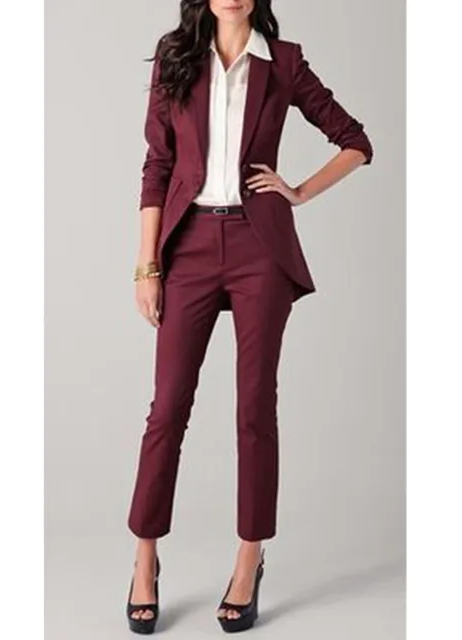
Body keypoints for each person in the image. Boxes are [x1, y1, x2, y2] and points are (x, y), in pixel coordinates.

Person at [125, 0, 373, 634]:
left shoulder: (283, 62)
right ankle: (145, 558)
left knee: (255, 408)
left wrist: (298, 191)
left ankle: (248, 559)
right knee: (167, 407)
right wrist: (147, 266)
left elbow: (355, 141)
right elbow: (157, 166)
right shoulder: (176, 56)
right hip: (188, 246)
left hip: (259, 248)